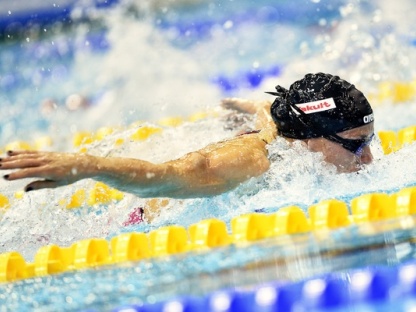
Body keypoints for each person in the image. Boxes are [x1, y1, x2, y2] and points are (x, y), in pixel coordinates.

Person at [0, 73, 374, 200]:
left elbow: (271, 114)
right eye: (357, 145)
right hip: (140, 222)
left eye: (368, 142)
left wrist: (250, 108)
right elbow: (169, 176)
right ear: (311, 139)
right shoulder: (252, 159)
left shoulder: (286, 130)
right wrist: (87, 165)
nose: (368, 158)